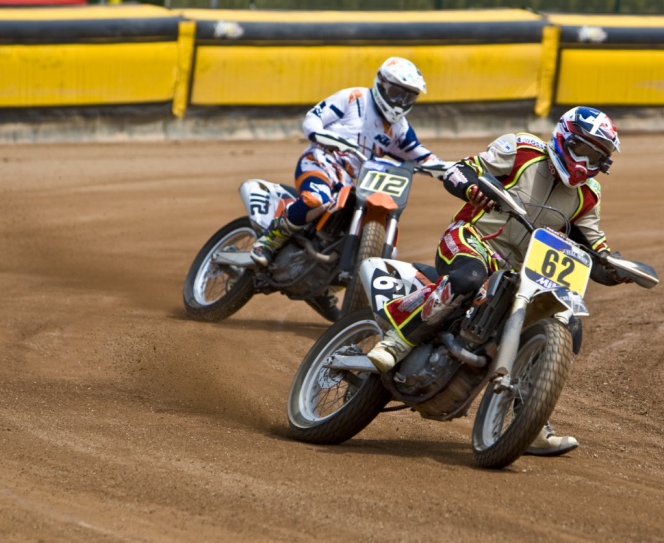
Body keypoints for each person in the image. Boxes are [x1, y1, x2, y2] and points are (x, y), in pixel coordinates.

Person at [367, 106, 629, 456]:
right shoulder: (521, 151)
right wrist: (473, 188)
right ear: (565, 138)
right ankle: (396, 341)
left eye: (597, 157)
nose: (586, 162)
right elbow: (459, 171)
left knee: (568, 327)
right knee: (468, 278)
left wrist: (614, 268)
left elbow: (595, 248)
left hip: (525, 272)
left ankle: (530, 416)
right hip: (474, 241)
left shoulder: (588, 195)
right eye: (583, 149)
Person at [250, 57, 440, 320]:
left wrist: (447, 169)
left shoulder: (399, 128)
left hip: (356, 184)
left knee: (369, 234)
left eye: (409, 98)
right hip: (321, 164)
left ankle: (327, 285)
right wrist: (319, 133)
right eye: (397, 93)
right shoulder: (354, 98)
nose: (401, 102)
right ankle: (271, 239)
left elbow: (419, 154)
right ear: (382, 85)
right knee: (318, 199)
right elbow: (314, 118)